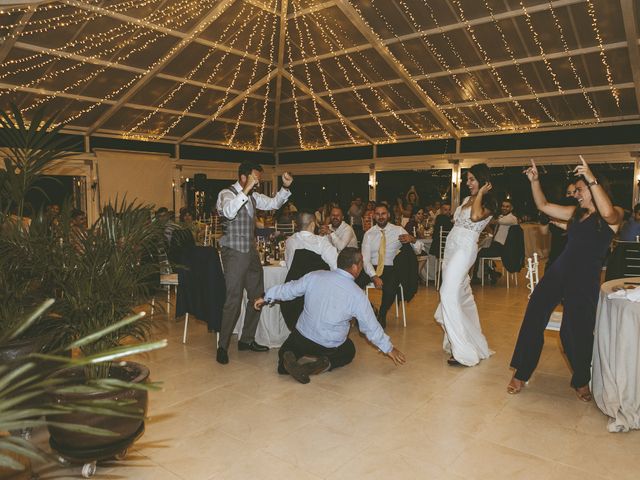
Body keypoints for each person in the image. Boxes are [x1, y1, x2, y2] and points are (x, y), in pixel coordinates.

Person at [507, 158, 623, 401]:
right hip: (560, 271)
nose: (576, 195)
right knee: (534, 314)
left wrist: (591, 178)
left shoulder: (613, 214)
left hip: (584, 279)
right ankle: (521, 372)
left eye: (580, 190)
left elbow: (609, 213)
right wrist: (535, 181)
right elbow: (543, 204)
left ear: (594, 189)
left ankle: (581, 380)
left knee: (575, 331)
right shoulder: (574, 213)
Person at [254, 248, 406, 384]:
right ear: (354, 267)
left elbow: (289, 289)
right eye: (361, 264)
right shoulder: (357, 295)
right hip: (329, 345)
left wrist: (266, 296)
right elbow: (370, 327)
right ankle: (324, 363)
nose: (361, 267)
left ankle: (286, 361)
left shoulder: (315, 276)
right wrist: (389, 348)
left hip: (303, 336)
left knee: (287, 349)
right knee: (349, 350)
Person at [215, 160, 293, 365]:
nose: (257, 183)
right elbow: (229, 212)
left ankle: (246, 339)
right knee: (233, 298)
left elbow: (274, 203)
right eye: (255, 178)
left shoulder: (253, 197)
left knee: (257, 295)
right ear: (243, 177)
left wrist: (285, 187)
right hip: (233, 251)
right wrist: (247, 189)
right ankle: (222, 346)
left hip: (250, 252)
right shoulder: (226, 194)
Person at [434, 163, 496, 367]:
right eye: (467, 179)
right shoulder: (467, 199)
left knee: (447, 293)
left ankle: (464, 352)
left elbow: (476, 217)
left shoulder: (490, 202)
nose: (467, 183)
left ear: (483, 181)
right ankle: (469, 341)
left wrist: (480, 195)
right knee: (461, 295)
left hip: (465, 248)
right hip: (452, 247)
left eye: (471, 179)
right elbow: (458, 219)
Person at [361, 203, 421, 327]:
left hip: (390, 267)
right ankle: (369, 310)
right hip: (372, 266)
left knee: (391, 285)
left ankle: (382, 315)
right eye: (377, 214)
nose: (380, 216)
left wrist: (413, 240)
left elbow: (418, 250)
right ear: (374, 216)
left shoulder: (398, 230)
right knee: (351, 283)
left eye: (383, 213)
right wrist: (374, 276)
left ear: (388, 215)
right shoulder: (369, 234)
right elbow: (365, 260)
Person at [471, 199, 518, 284]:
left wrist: (484, 216)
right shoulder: (502, 217)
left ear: (511, 208)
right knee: (483, 250)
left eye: (507, 206)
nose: (504, 208)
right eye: (503, 206)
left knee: (477, 253)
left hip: (503, 248)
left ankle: (476, 277)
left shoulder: (512, 219)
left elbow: (495, 222)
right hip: (497, 245)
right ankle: (492, 272)